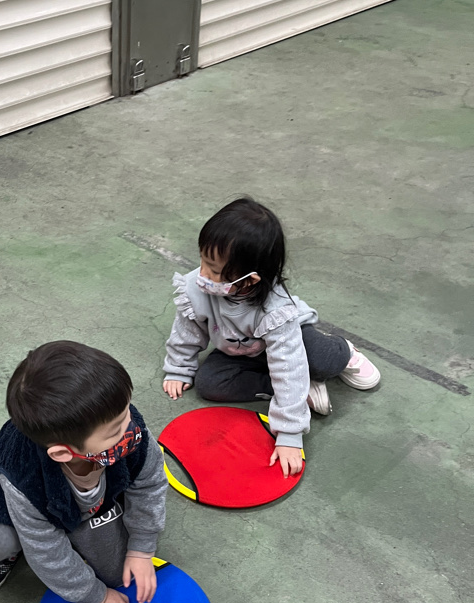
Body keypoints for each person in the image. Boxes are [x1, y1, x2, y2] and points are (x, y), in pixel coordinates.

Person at [0, 341, 168, 603]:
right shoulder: (24, 477)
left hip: (80, 487)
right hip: (16, 494)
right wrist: (96, 599)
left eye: (127, 411)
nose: (131, 427)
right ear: (64, 453)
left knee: (118, 572)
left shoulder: (124, 424)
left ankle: (91, 510)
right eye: (116, 430)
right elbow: (45, 550)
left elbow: (150, 483)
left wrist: (142, 548)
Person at [163, 197, 380, 477]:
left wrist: (289, 433)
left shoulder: (276, 310)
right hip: (243, 351)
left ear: (249, 280)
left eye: (214, 271)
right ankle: (300, 390)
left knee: (321, 361)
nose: (202, 274)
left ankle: (343, 351)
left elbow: (288, 364)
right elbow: (186, 330)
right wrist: (179, 367)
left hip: (294, 338)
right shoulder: (197, 286)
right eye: (203, 260)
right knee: (209, 384)